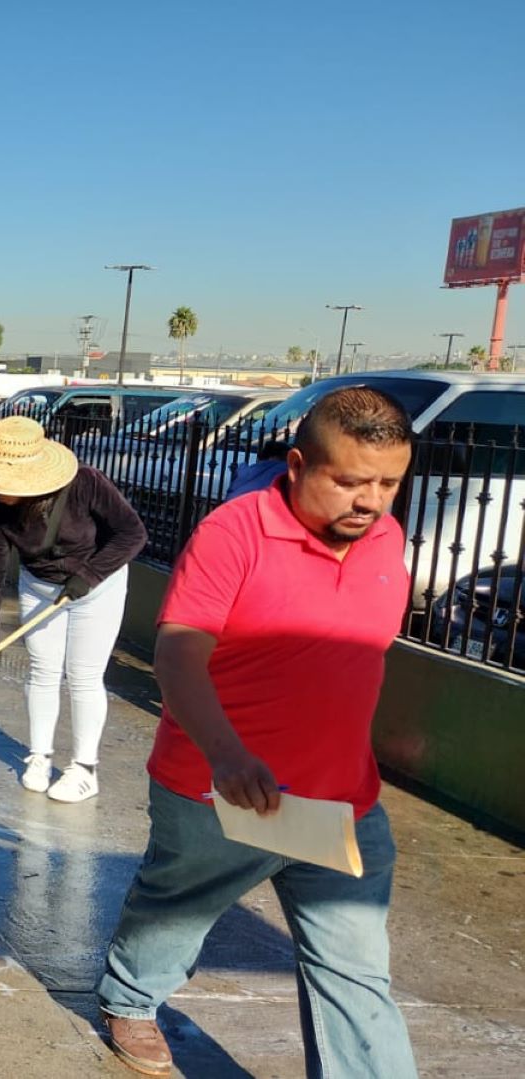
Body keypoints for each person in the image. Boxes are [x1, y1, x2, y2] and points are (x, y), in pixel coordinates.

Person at [95, 387, 419, 1077]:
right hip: (221, 791)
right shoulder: (234, 531)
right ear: (298, 465)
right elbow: (179, 651)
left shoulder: (387, 536)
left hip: (341, 803)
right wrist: (226, 753)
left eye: (389, 482)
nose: (371, 500)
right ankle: (130, 996)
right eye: (351, 481)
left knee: (357, 976)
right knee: (175, 910)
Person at [0, 416, 147, 803]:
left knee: (83, 675)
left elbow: (133, 533)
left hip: (98, 588)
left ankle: (84, 768)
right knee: (43, 671)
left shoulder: (86, 484)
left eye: (1, 482)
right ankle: (39, 756)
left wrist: (90, 575)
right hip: (40, 588)